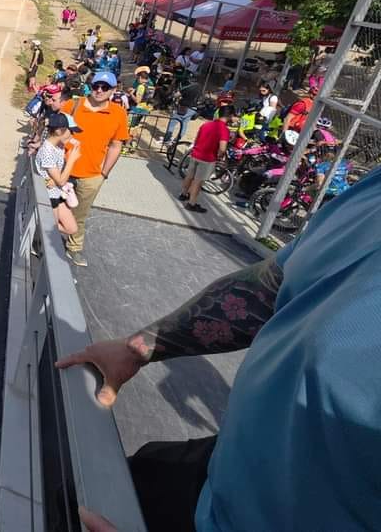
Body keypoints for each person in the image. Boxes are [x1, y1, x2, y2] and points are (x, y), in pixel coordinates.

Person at [61, 166, 381, 532]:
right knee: (66, 500)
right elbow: (268, 288)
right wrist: (139, 347)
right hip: (220, 469)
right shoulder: (374, 190)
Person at [60, 71, 130, 267]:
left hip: (91, 175)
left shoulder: (118, 113)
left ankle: (74, 247)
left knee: (79, 215)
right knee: (52, 210)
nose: (99, 90)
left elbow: (116, 145)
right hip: (63, 171)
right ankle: (40, 241)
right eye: (96, 86)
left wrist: (104, 173)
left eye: (105, 87)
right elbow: (56, 133)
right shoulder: (72, 105)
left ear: (114, 90)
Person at [179, 104, 233, 214]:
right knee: (198, 182)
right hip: (208, 158)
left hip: (196, 153)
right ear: (230, 116)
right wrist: (219, 157)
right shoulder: (224, 130)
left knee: (189, 176)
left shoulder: (206, 124)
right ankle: (191, 203)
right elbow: (222, 148)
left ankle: (183, 194)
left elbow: (197, 138)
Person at [35, 112, 83, 235]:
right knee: (51, 230)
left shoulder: (59, 145)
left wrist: (71, 140)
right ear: (58, 131)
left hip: (56, 192)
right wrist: (72, 159)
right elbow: (61, 180)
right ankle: (38, 240)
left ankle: (42, 230)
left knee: (72, 228)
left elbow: (58, 175)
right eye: (70, 131)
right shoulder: (47, 151)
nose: (72, 135)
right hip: (49, 196)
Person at [160, 78, 202, 146]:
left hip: (184, 107)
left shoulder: (188, 88)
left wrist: (173, 95)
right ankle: (176, 141)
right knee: (184, 125)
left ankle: (167, 140)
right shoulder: (200, 89)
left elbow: (176, 95)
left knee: (172, 123)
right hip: (193, 109)